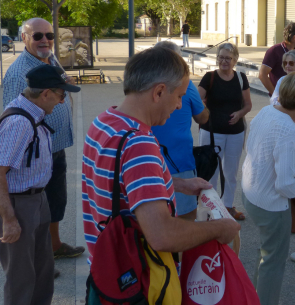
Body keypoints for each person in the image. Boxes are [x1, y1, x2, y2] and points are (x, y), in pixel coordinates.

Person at [81, 47, 240, 264]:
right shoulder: (139, 143)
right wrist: (219, 228)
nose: (179, 105)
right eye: (179, 96)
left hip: (107, 271)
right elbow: (162, 235)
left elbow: (121, 182)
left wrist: (176, 183)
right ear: (159, 92)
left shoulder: (104, 122)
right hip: (139, 279)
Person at [0, 64, 81, 305]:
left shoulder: (34, 114)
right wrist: (9, 219)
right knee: (21, 278)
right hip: (17, 204)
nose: (62, 102)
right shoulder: (19, 121)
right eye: (62, 95)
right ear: (46, 93)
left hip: (36, 199)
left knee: (42, 271)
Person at [3, 18, 85, 260]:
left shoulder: (48, 57)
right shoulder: (19, 73)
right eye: (37, 36)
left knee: (55, 200)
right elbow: (12, 116)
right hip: (35, 152)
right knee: (35, 206)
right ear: (24, 38)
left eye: (49, 35)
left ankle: (54, 246)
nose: (45, 40)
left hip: (54, 146)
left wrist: (64, 83)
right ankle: (38, 259)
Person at [241, 72, 295, 305]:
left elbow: (251, 147)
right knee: (274, 261)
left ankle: (259, 300)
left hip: (251, 193)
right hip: (270, 205)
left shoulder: (268, 111)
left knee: (267, 252)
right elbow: (284, 184)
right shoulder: (288, 129)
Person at [151, 41, 209, 221]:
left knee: (157, 218)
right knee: (184, 218)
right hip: (179, 162)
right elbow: (202, 118)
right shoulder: (188, 85)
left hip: (155, 162)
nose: (178, 105)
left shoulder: (145, 85)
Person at [198, 43, 252, 220]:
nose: (224, 61)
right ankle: (209, 207)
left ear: (235, 60)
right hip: (211, 132)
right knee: (211, 172)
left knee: (231, 171)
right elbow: (197, 100)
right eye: (221, 57)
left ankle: (228, 206)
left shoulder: (241, 77)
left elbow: (248, 104)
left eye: (228, 58)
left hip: (235, 132)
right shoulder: (209, 77)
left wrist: (239, 114)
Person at [259, 22, 295, 96]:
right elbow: (262, 74)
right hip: (279, 98)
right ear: (294, 37)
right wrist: (275, 94)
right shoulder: (274, 51)